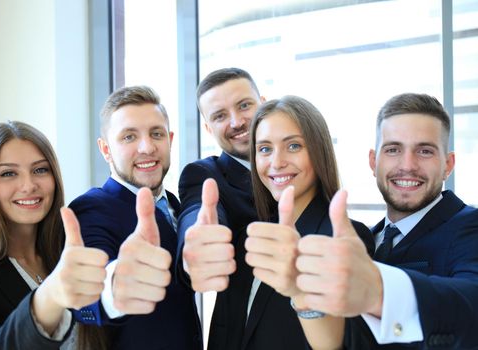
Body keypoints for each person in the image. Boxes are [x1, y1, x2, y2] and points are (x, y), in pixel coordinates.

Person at [294, 93, 478, 349]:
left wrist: (380, 291)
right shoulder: (363, 241)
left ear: (448, 164)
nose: (407, 165)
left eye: (425, 151)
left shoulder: (470, 227)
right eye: (393, 149)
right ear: (373, 161)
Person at [0, 121, 108, 350]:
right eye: (8, 173)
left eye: (40, 170)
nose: (28, 185)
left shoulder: (69, 249)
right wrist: (49, 297)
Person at [69, 86, 202, 350]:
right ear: (106, 150)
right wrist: (113, 287)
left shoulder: (175, 206)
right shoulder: (91, 209)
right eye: (129, 137)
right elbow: (85, 300)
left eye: (156, 134)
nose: (147, 147)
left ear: (170, 140)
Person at [242, 95, 374, 350]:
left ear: (318, 151)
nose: (277, 162)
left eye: (293, 146)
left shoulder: (344, 239)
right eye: (265, 149)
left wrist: (301, 291)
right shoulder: (253, 235)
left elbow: (343, 344)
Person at [178, 67, 266, 348]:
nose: (237, 121)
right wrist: (198, 245)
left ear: (262, 103)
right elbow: (199, 212)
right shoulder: (205, 175)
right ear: (208, 128)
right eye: (219, 116)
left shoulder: (302, 164)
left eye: (244, 106)